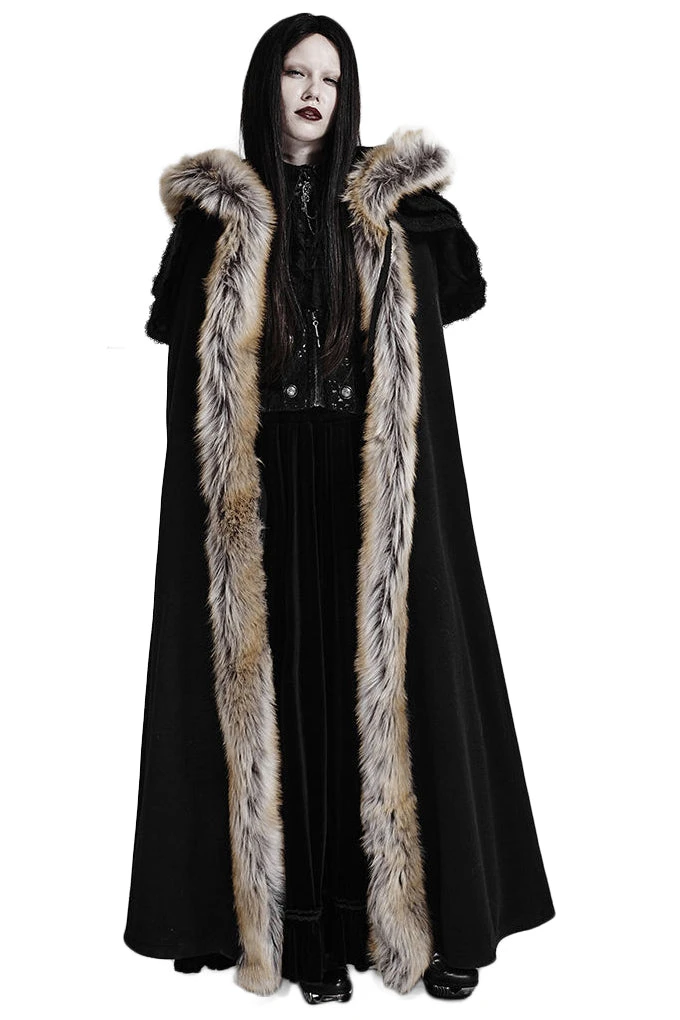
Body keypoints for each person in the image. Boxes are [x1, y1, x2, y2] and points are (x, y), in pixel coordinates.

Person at [122, 13, 556, 1005]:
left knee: (399, 690)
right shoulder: (220, 212)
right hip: (262, 482)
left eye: (329, 75)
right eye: (295, 72)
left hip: (373, 476)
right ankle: (296, 935)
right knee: (281, 698)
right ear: (266, 85)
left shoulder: (393, 204)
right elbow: (180, 340)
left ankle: (431, 924)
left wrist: (398, 222)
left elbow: (456, 300)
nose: (313, 91)